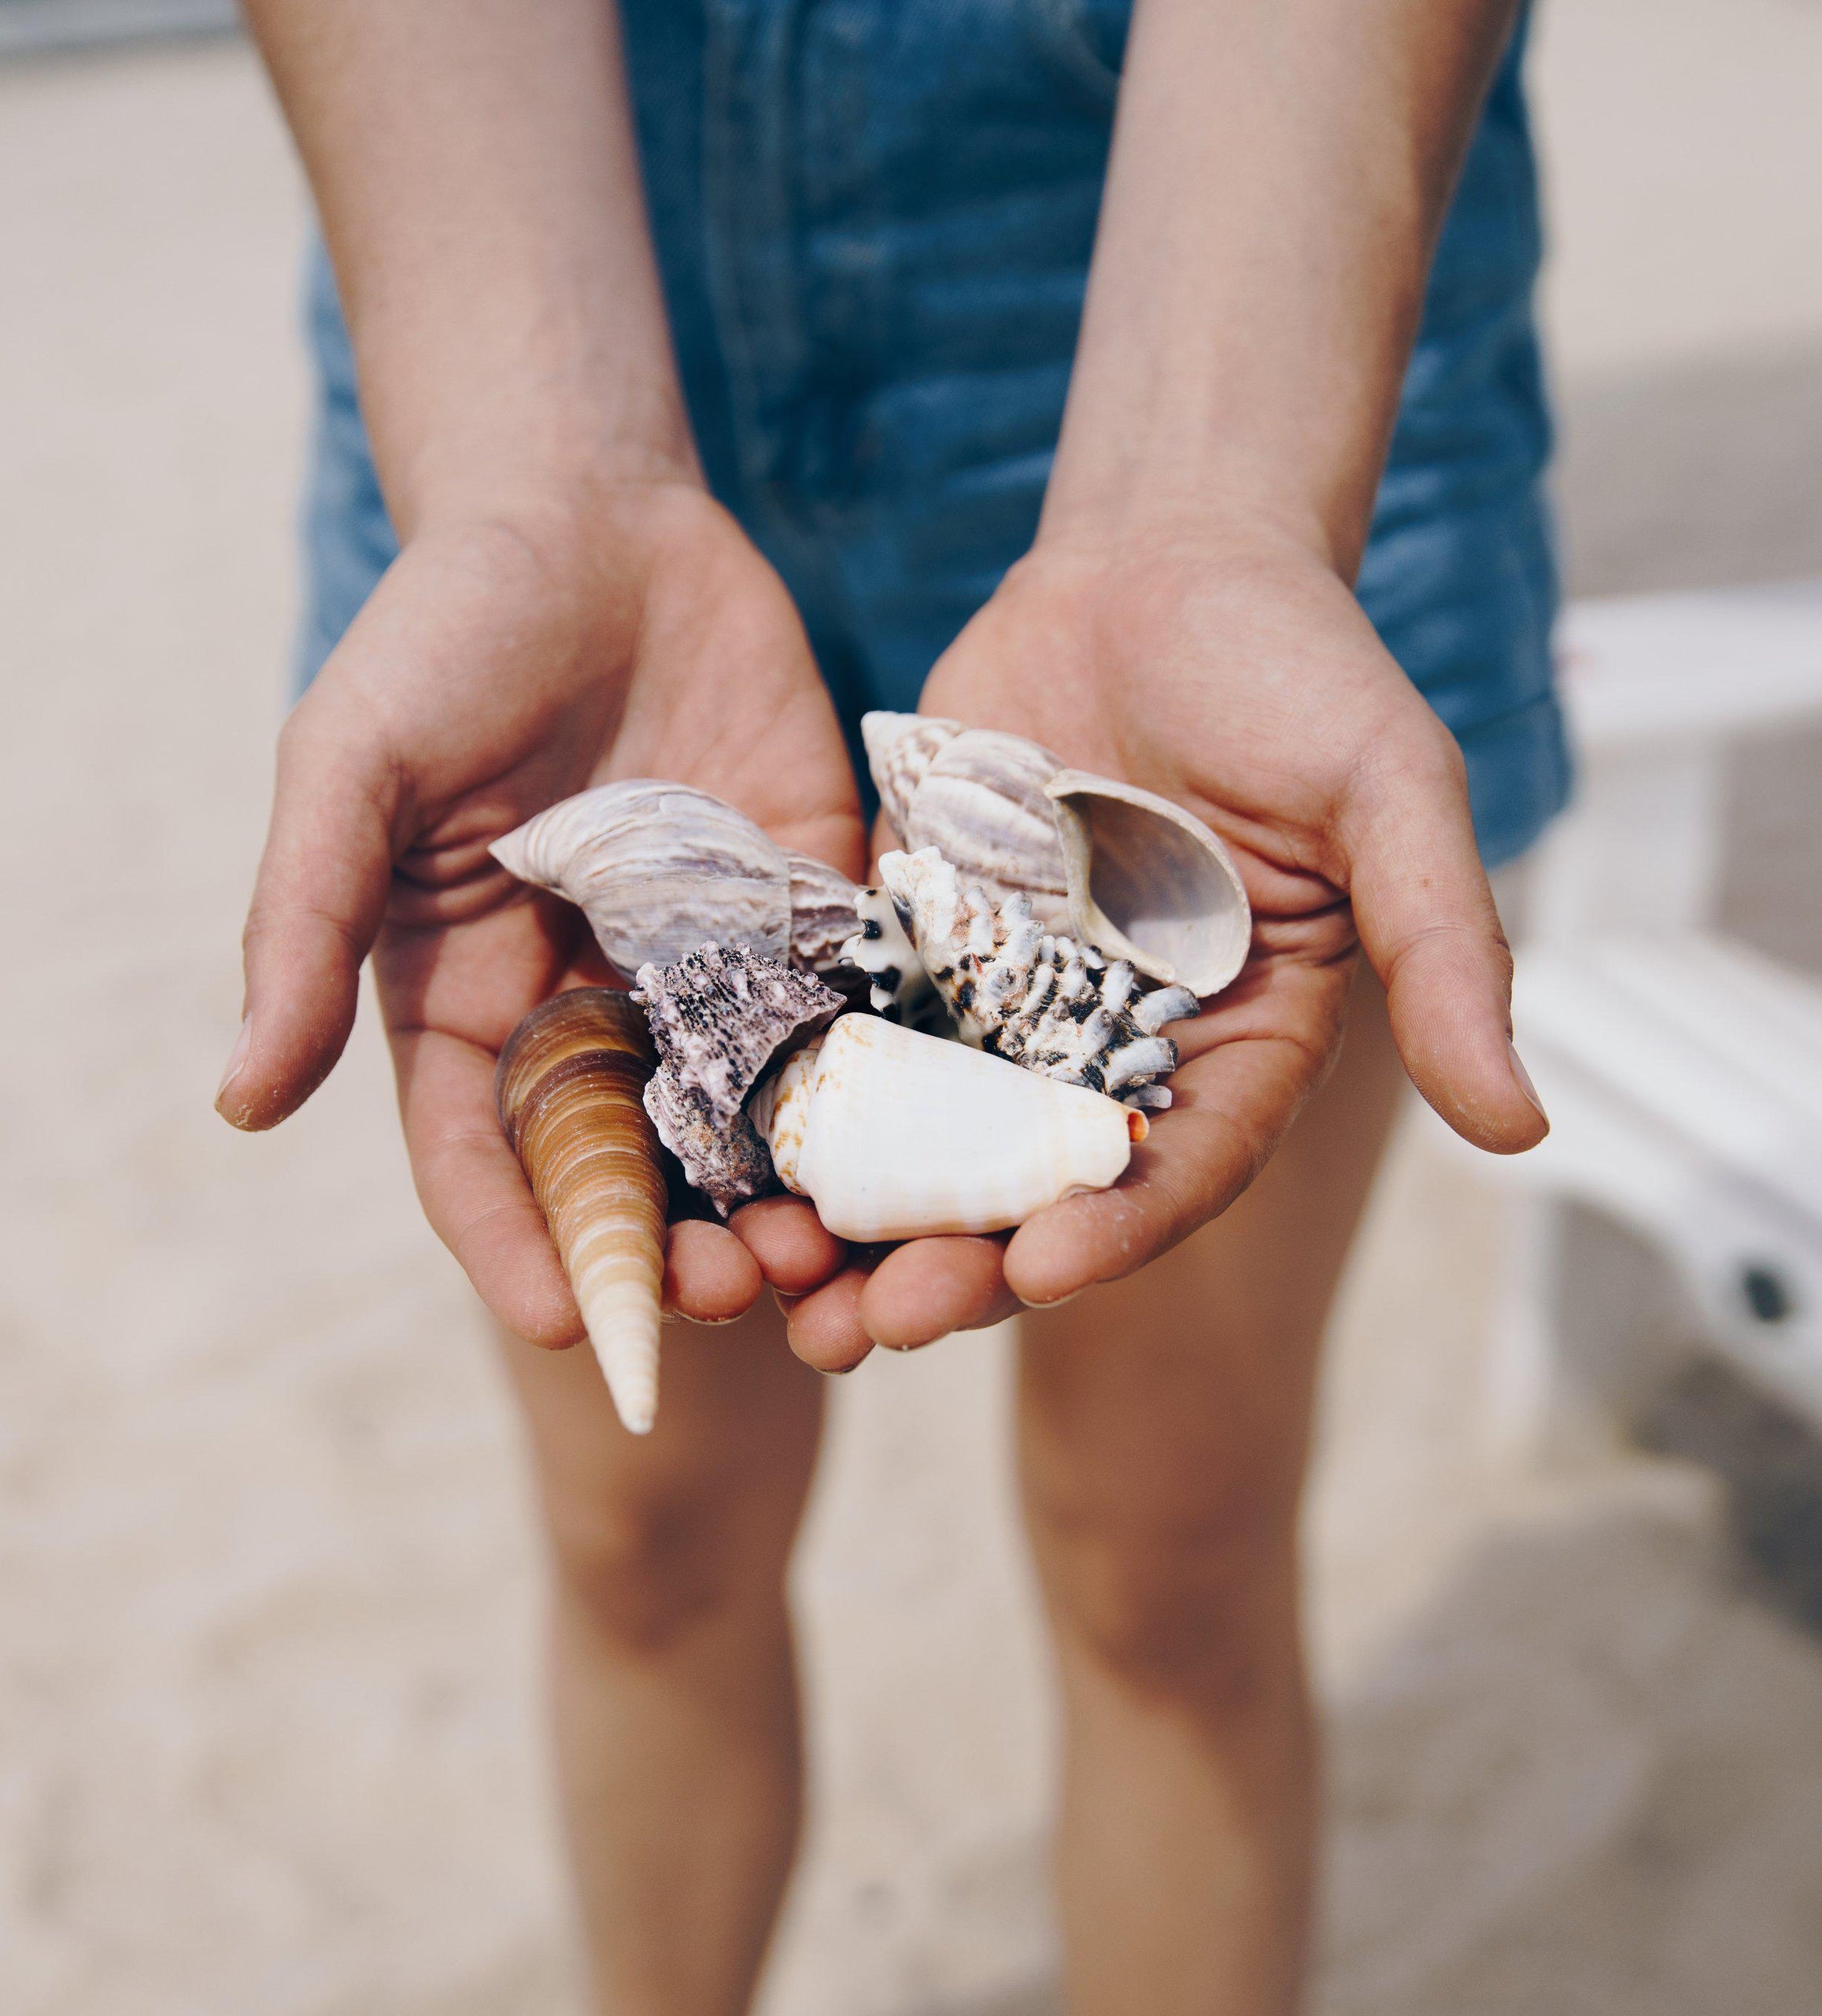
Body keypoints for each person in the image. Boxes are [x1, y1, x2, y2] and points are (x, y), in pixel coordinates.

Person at [216, 2, 1560, 2009]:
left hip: (1257, 305)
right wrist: (535, 472)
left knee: (1172, 1562)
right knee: (643, 1541)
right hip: (515, 309)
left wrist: (1216, 495)